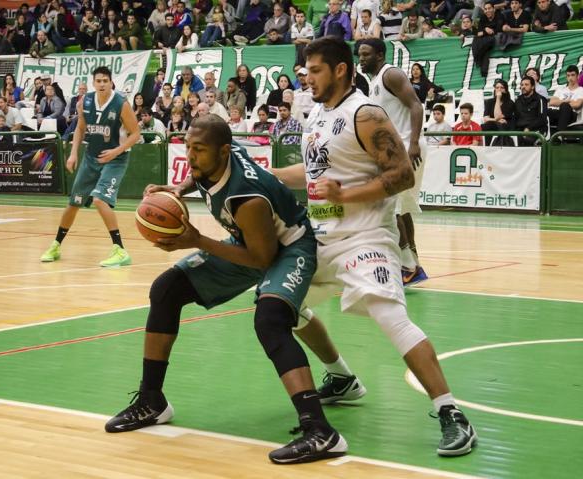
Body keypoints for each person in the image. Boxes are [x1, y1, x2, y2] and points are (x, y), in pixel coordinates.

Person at [272, 36, 477, 458]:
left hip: (365, 238)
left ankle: (451, 412)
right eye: (305, 70)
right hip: (322, 238)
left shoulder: (365, 114)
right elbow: (312, 173)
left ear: (341, 69)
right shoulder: (314, 115)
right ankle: (342, 378)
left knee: (391, 318)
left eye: (315, 70)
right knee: (279, 305)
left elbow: (401, 174)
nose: (306, 78)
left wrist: (343, 195)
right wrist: (269, 174)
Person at [106, 114, 348, 465]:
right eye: (188, 147)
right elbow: (201, 177)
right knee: (166, 289)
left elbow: (262, 258)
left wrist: (196, 240)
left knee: (270, 320)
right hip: (248, 240)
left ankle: (320, 431)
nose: (191, 156)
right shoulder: (217, 158)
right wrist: (177, 189)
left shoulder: (245, 196)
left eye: (199, 150)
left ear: (223, 151)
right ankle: (151, 401)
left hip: (289, 247)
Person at [40, 66, 141, 267]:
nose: (102, 84)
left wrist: (116, 151)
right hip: (91, 158)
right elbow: (80, 128)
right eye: (99, 81)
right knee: (74, 203)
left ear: (111, 82)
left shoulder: (121, 104)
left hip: (115, 160)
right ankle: (56, 245)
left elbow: (136, 134)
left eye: (106, 80)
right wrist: (73, 154)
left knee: (99, 200)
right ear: (93, 83)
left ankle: (120, 250)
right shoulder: (84, 102)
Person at [359, 38, 427, 286]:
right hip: (397, 150)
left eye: (365, 54)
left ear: (379, 54)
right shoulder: (374, 82)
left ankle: (407, 266)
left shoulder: (392, 75)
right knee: (402, 208)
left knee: (390, 207)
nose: (361, 58)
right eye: (359, 54)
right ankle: (413, 264)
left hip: (407, 148)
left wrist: (414, 143)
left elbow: (416, 106)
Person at [548, 65, 583, 133]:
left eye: (573, 75)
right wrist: (567, 101)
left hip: (572, 115)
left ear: (578, 76)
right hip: (557, 114)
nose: (570, 78)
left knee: (565, 106)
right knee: (545, 110)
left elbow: (577, 104)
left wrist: (560, 102)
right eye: (568, 75)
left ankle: (559, 134)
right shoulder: (560, 90)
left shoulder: (581, 90)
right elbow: (552, 102)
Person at [515, 75, 548, 145]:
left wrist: (528, 128)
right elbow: (515, 117)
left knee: (526, 140)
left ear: (532, 87)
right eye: (522, 85)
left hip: (537, 129)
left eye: (526, 85)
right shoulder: (518, 100)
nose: (523, 87)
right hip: (520, 129)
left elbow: (542, 118)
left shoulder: (540, 99)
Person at [472, 2, 502, 77]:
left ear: (494, 9)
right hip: (485, 39)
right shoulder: (483, 17)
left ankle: (477, 58)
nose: (487, 11)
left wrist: (485, 31)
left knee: (488, 40)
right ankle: (484, 71)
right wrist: (486, 30)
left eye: (489, 8)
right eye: (485, 9)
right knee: (478, 40)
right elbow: (478, 33)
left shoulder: (500, 16)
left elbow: (497, 30)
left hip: (497, 38)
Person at [481, 79, 516, 145]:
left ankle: (501, 146)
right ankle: (487, 147)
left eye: (502, 87)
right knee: (485, 126)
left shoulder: (510, 103)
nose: (499, 89)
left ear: (505, 90)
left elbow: (497, 116)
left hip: (506, 126)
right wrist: (495, 120)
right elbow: (485, 119)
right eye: (497, 88)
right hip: (492, 125)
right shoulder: (489, 102)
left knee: (500, 125)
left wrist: (498, 98)